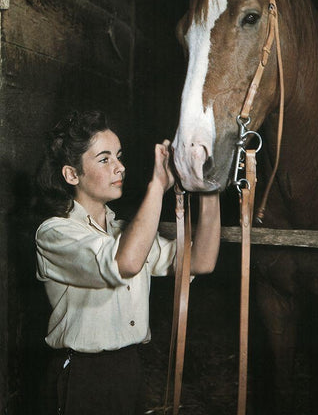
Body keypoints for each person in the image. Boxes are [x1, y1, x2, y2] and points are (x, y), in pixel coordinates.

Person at [35, 110, 220, 415]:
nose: (120, 167)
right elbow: (125, 263)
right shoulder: (55, 233)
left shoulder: (124, 232)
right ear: (72, 175)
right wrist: (157, 186)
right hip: (82, 376)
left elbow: (200, 261)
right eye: (104, 159)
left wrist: (209, 185)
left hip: (130, 369)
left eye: (119, 156)